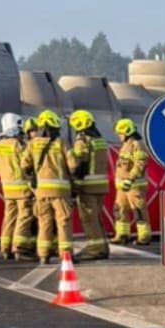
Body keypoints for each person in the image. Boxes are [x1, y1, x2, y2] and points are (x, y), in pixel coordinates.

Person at [20, 109, 77, 265]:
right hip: (61, 191)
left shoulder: (32, 144)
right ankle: (66, 255)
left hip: (41, 192)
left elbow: (24, 165)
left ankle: (44, 255)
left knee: (44, 222)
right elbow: (73, 165)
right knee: (63, 222)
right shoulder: (62, 142)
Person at [0, 112, 37, 261]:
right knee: (24, 216)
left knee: (9, 218)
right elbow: (27, 163)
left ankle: (5, 248)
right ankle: (19, 248)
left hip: (7, 189)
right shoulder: (18, 145)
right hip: (22, 188)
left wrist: (1, 171)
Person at [68, 109, 111, 260]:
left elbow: (81, 164)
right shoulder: (100, 139)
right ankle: (102, 247)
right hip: (101, 186)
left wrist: (75, 186)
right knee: (96, 218)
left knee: (89, 218)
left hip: (88, 186)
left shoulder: (83, 140)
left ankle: (95, 249)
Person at [112, 117, 151, 245]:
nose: (119, 136)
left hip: (134, 185)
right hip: (123, 186)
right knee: (120, 209)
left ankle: (144, 237)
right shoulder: (125, 145)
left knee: (138, 210)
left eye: (120, 133)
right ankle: (122, 234)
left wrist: (130, 179)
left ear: (127, 132)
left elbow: (140, 163)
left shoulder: (137, 144)